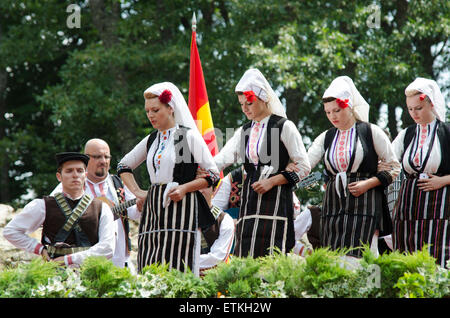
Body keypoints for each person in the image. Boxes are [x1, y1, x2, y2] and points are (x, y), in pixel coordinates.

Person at [117, 82, 219, 275]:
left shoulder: (186, 136)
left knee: (180, 263)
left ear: (170, 108)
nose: (150, 115)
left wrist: (184, 188)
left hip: (182, 208)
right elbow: (123, 165)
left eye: (155, 110)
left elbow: (213, 174)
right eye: (147, 111)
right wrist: (138, 192)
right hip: (153, 210)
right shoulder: (152, 139)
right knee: (150, 260)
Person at [214, 68, 311, 258]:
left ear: (263, 98)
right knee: (247, 255)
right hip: (249, 205)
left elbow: (304, 166)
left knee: (272, 255)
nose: (244, 108)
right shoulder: (244, 131)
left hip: (276, 203)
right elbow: (222, 159)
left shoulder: (284, 126)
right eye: (241, 104)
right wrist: (199, 169)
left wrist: (272, 181)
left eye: (249, 103)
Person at [306, 76, 401, 258]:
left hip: (365, 205)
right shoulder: (325, 137)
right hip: (334, 205)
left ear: (349, 106)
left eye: (337, 110)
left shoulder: (370, 131)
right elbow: (305, 164)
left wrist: (368, 184)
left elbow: (394, 168)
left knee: (361, 256)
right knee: (334, 256)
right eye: (328, 112)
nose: (332, 116)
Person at [3, 152, 115, 266]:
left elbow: (108, 247)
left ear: (85, 175)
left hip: (91, 272)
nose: (75, 175)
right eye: (69, 171)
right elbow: (11, 231)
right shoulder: (43, 205)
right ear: (59, 176)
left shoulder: (101, 208)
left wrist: (69, 260)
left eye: (80, 171)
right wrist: (40, 249)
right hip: (54, 276)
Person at [51, 139, 140, 272]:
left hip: (120, 261)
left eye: (106, 156)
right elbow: (51, 213)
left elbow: (134, 213)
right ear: (86, 159)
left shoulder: (119, 183)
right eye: (97, 157)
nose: (103, 161)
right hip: (83, 264)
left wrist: (140, 205)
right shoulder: (71, 184)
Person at [391, 77, 450, 267]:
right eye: (410, 109)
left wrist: (442, 181)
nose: (414, 113)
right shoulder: (406, 135)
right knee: (406, 248)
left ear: (431, 104)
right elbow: (388, 161)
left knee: (437, 248)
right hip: (408, 201)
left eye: (419, 108)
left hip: (439, 200)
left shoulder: (447, 132)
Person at [198, 180, 235, 274]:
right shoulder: (178, 217)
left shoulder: (224, 220)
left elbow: (217, 258)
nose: (200, 190)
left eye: (205, 186)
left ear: (214, 190)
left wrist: (185, 262)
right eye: (195, 186)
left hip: (212, 281)